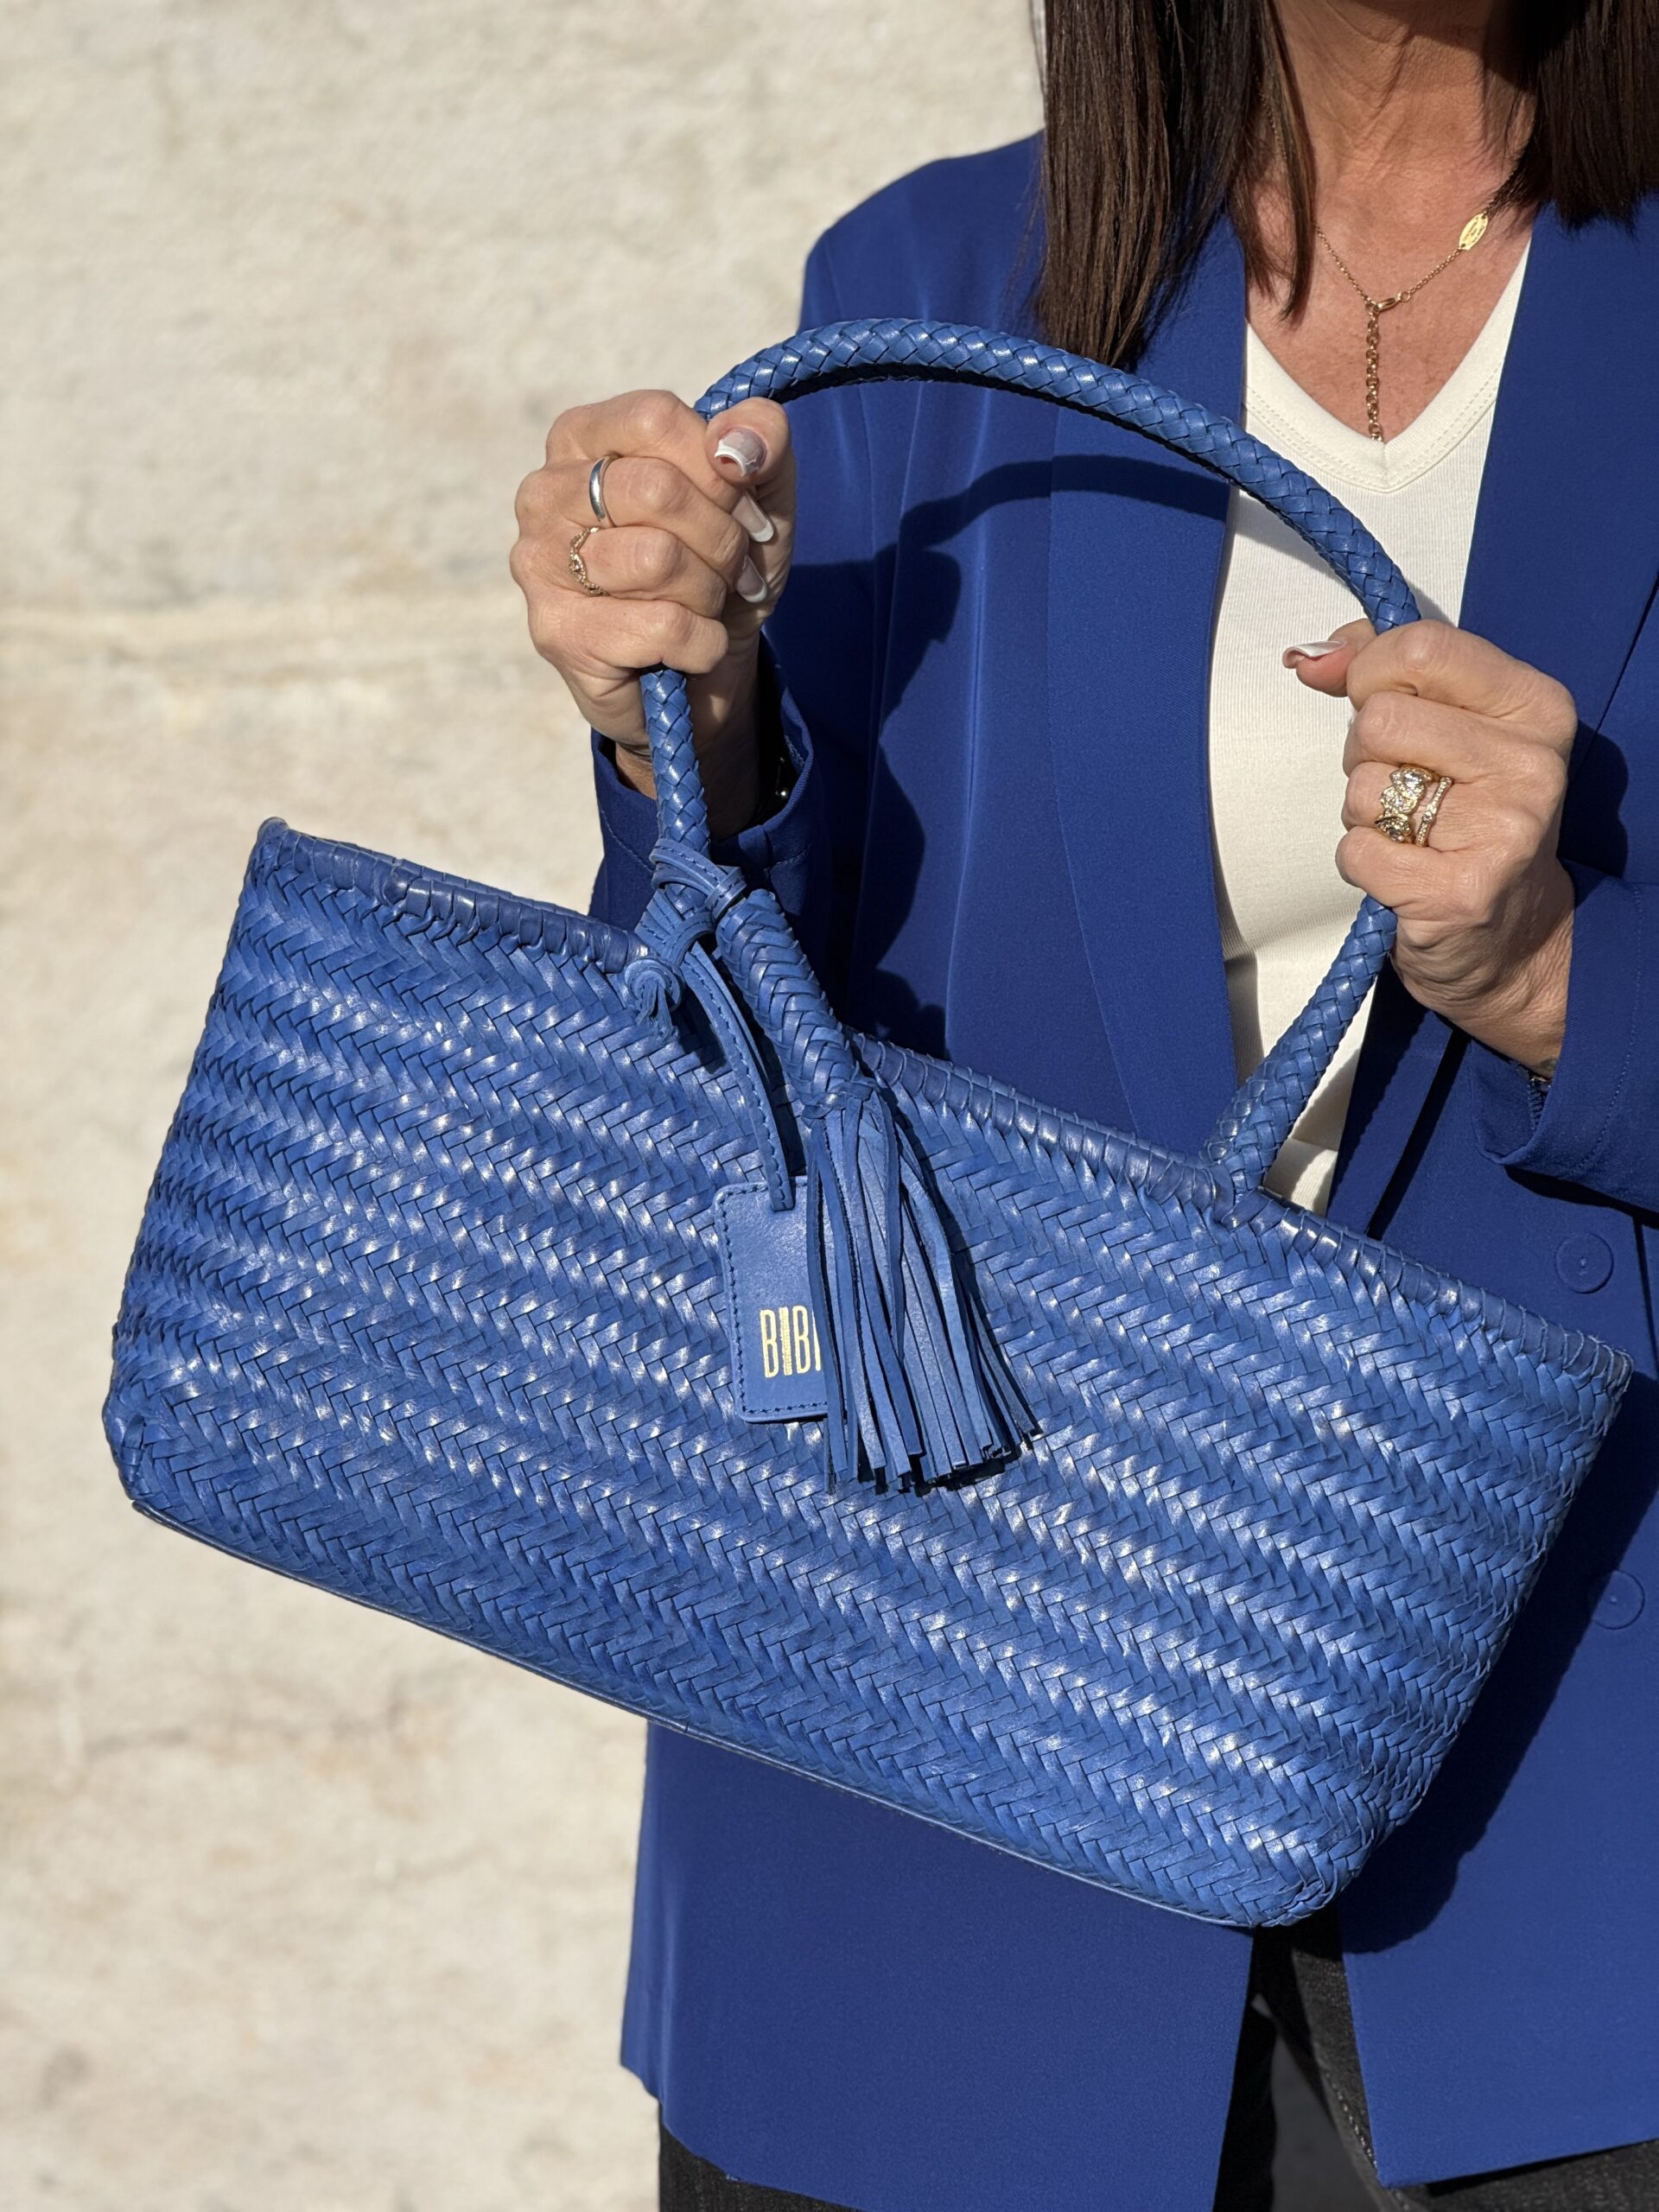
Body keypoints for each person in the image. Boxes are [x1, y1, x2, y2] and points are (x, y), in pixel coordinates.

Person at [508, 4, 1659, 2207]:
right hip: (940, 1830)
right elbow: (739, 1069)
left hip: (1577, 1857)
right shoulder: (931, 294)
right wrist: (696, 725)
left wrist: (1550, 981)